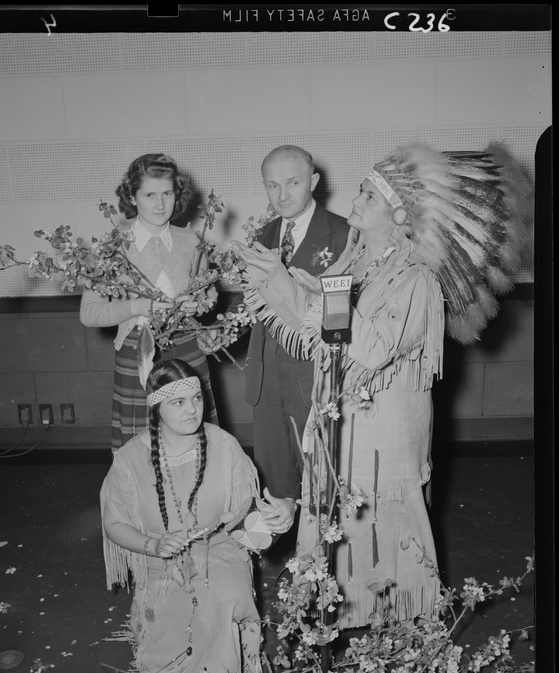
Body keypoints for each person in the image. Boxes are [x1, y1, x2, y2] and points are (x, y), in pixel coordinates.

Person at [233, 141, 531, 628]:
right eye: (361, 190)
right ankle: (339, 625)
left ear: (397, 215)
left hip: (383, 441)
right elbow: (323, 332)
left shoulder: (417, 282)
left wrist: (302, 289)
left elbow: (370, 348)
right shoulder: (351, 265)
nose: (357, 199)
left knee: (381, 538)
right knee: (339, 534)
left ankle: (397, 636)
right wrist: (276, 279)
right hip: (338, 428)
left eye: (369, 196)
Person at [99, 359, 294, 673]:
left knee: (221, 598)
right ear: (156, 408)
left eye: (197, 398)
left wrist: (282, 513)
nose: (192, 410)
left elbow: (247, 518)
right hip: (160, 558)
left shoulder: (224, 445)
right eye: (178, 402)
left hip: (219, 547)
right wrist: (152, 545)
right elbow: (114, 524)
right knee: (173, 624)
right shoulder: (130, 459)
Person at [241, 145, 350, 532]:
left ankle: (324, 567)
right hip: (268, 376)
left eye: (293, 182)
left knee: (323, 479)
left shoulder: (343, 234)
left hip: (313, 376)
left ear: (314, 182)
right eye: (272, 185)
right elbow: (256, 308)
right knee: (277, 486)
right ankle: (294, 569)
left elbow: (340, 324)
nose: (282, 195)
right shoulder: (263, 234)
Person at [80, 153, 218, 451]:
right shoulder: (110, 246)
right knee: (141, 449)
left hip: (188, 350)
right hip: (137, 354)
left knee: (195, 445)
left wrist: (200, 304)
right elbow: (89, 314)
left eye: (167, 193)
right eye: (149, 195)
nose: (159, 204)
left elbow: (209, 294)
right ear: (132, 196)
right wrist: (135, 308)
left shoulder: (193, 242)